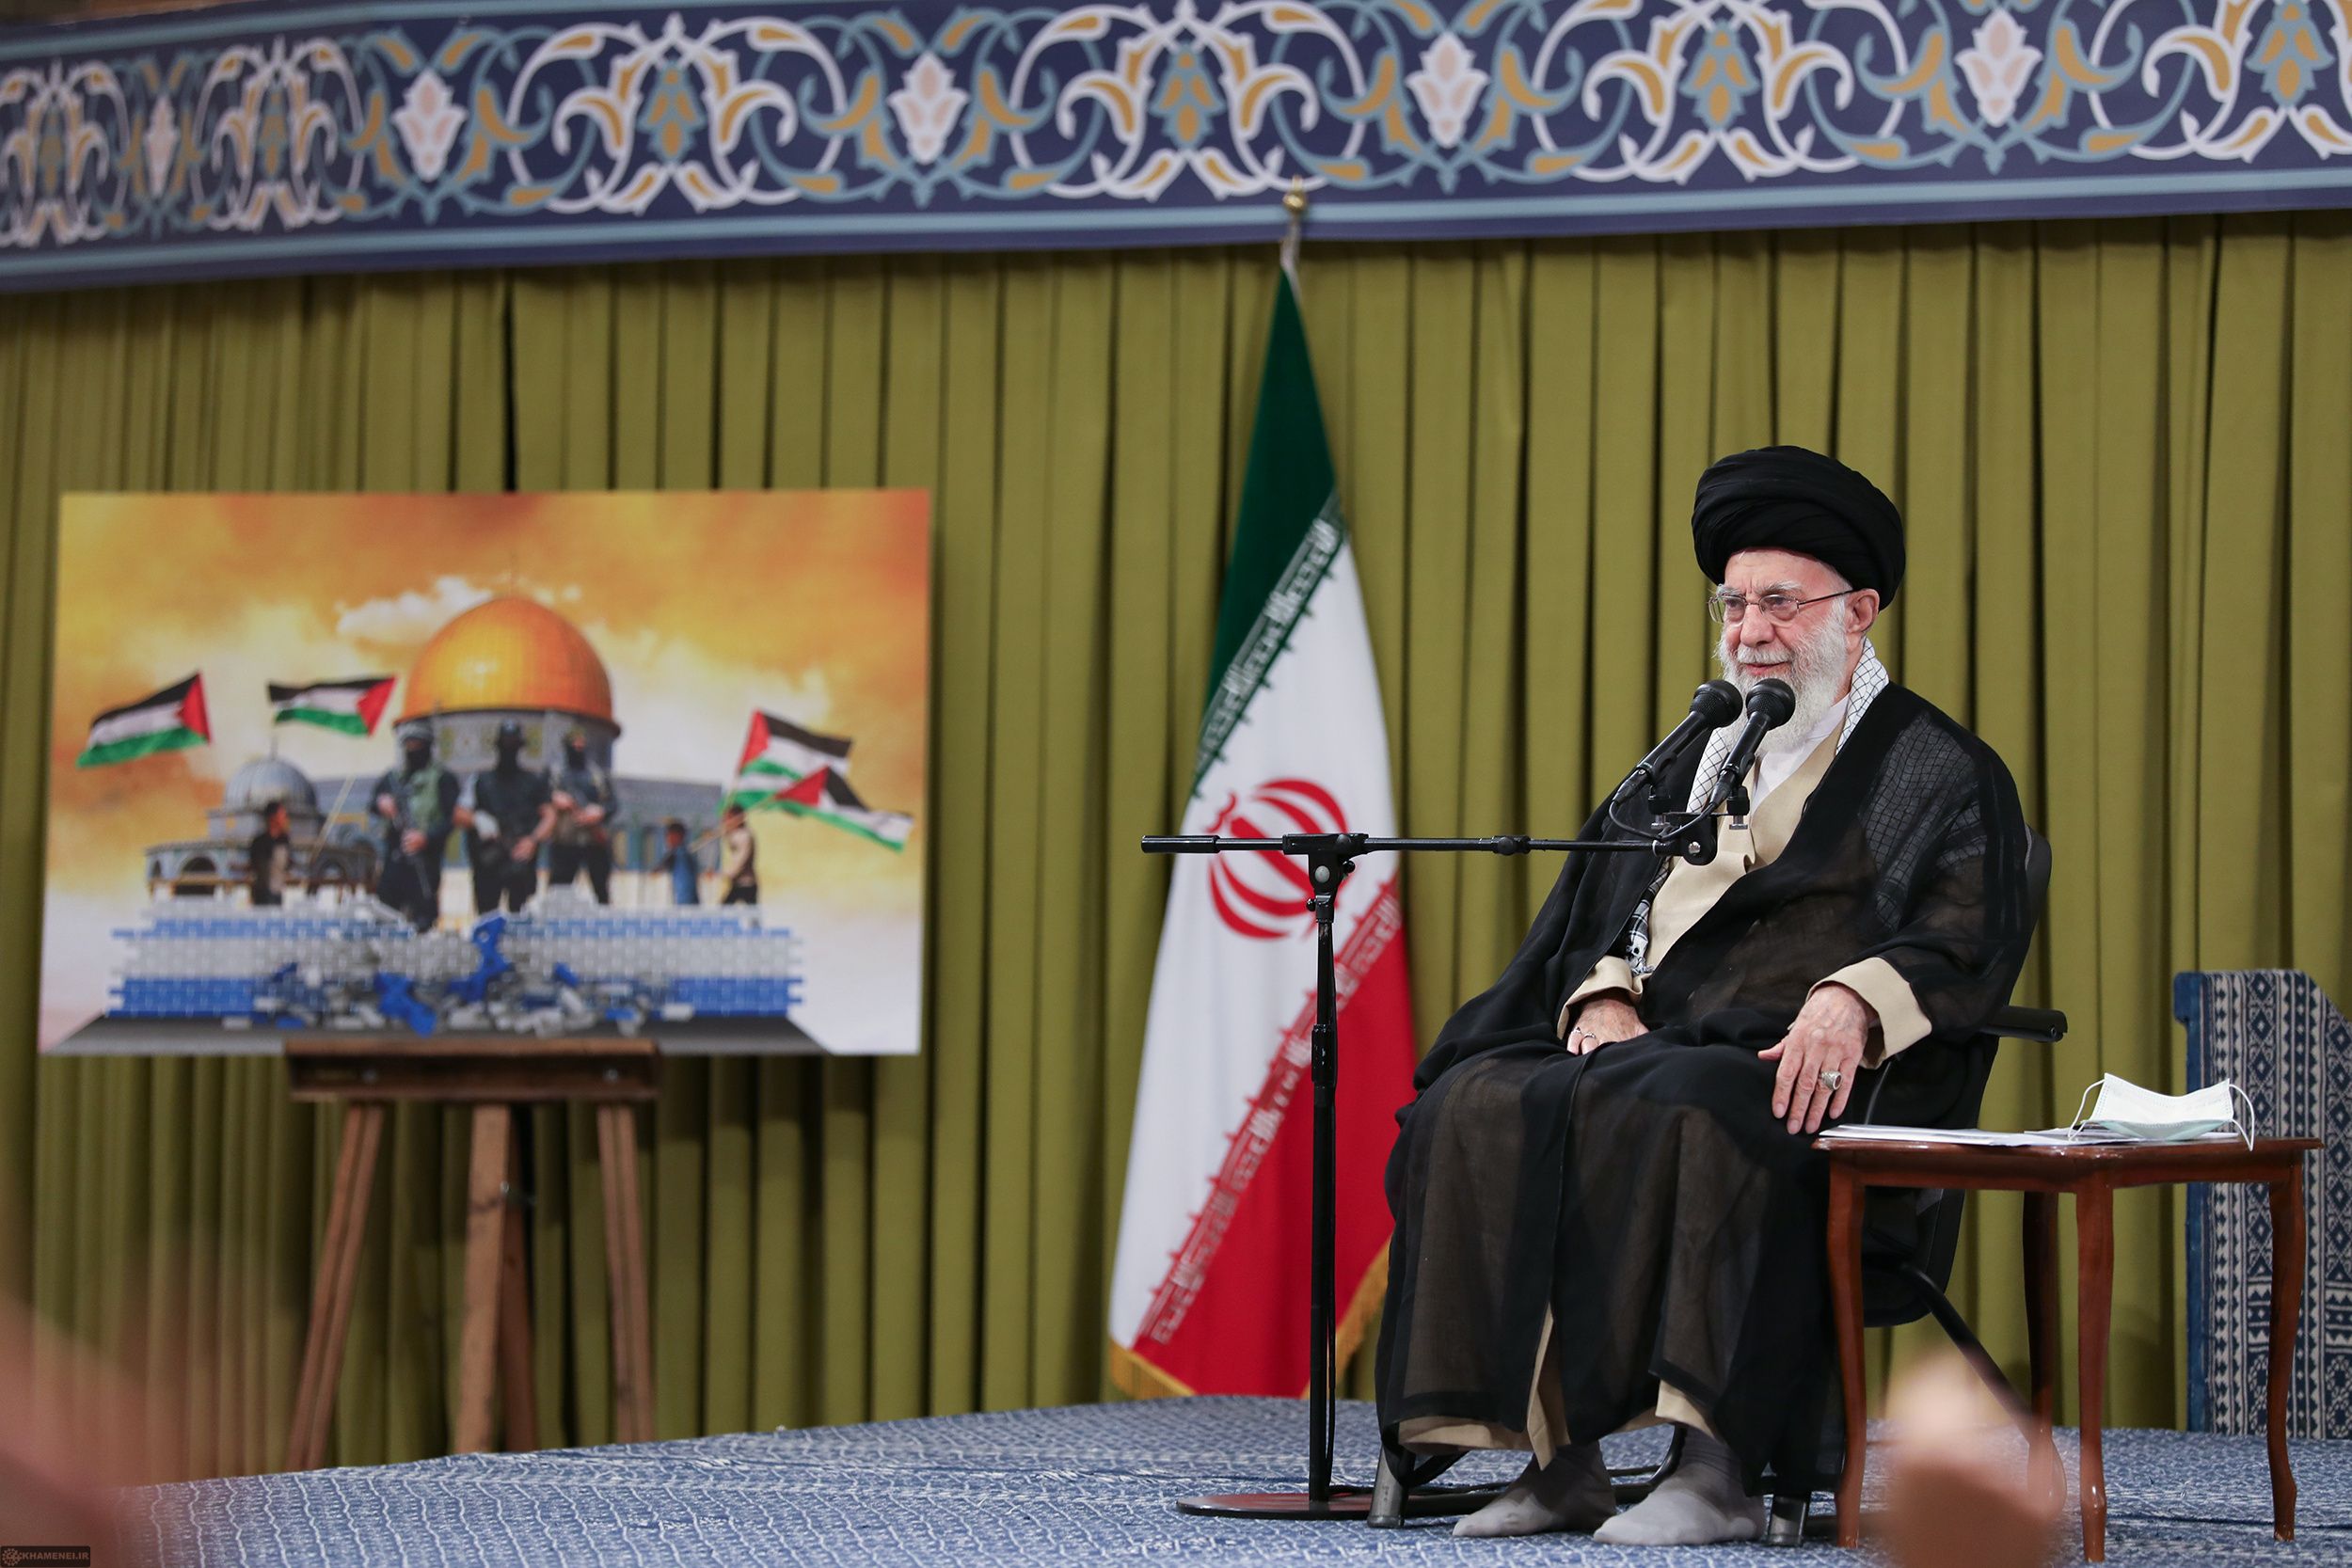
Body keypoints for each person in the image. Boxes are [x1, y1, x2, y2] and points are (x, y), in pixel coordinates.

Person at [1375, 446, 2037, 1545]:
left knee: (1697, 1099)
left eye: (1780, 601)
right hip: (1646, 1047)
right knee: (1477, 1097)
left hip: (1789, 1070)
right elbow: (1592, 909)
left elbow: (1968, 927)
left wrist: (1853, 999)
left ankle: (1715, 1465)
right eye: (1734, 603)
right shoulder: (1691, 751)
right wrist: (1598, 992)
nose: (1750, 629)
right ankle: (1559, 1461)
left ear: (1857, 610)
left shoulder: (1933, 765)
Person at [371, 720, 459, 931]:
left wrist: (426, 837)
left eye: (417, 744)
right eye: (408, 744)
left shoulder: (443, 779)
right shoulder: (392, 778)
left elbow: (451, 820)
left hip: (424, 862)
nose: (412, 750)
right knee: (386, 917)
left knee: (423, 920)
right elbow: (373, 803)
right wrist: (382, 804)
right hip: (394, 858)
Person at [464, 720, 553, 914]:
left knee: (520, 920)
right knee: (487, 918)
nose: (509, 748)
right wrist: (477, 820)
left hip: (520, 860)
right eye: (506, 743)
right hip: (489, 862)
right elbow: (459, 813)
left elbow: (549, 816)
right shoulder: (481, 780)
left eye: (513, 744)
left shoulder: (533, 781)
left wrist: (532, 841)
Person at [547, 726, 616, 904]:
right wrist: (554, 798)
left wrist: (598, 812)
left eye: (581, 744)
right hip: (565, 842)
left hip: (593, 841)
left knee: (601, 892)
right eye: (574, 744)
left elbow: (612, 804)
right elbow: (538, 797)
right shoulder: (555, 773)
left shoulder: (596, 775)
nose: (578, 748)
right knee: (558, 893)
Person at [246, 799, 292, 908]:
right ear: (273, 818)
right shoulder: (259, 842)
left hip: (277, 894)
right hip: (262, 895)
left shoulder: (284, 840)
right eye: (282, 816)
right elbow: (255, 867)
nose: (285, 820)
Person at [718, 804, 758, 905]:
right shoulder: (735, 834)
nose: (726, 821)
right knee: (724, 910)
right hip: (737, 883)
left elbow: (741, 862)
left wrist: (722, 874)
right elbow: (732, 843)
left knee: (751, 916)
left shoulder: (745, 836)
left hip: (746, 883)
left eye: (729, 818)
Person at [656, 818, 701, 906]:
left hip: (685, 903)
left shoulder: (680, 855)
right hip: (689, 902)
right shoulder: (685, 855)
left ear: (678, 836)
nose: (668, 839)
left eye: (669, 835)